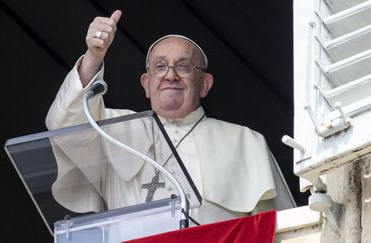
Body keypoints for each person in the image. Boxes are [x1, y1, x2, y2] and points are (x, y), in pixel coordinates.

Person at [46, 10, 294, 225]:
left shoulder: (246, 142)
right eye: (160, 66)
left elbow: (282, 229)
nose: (171, 75)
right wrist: (93, 57)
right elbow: (64, 125)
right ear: (146, 83)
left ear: (204, 85)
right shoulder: (113, 130)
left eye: (184, 67)